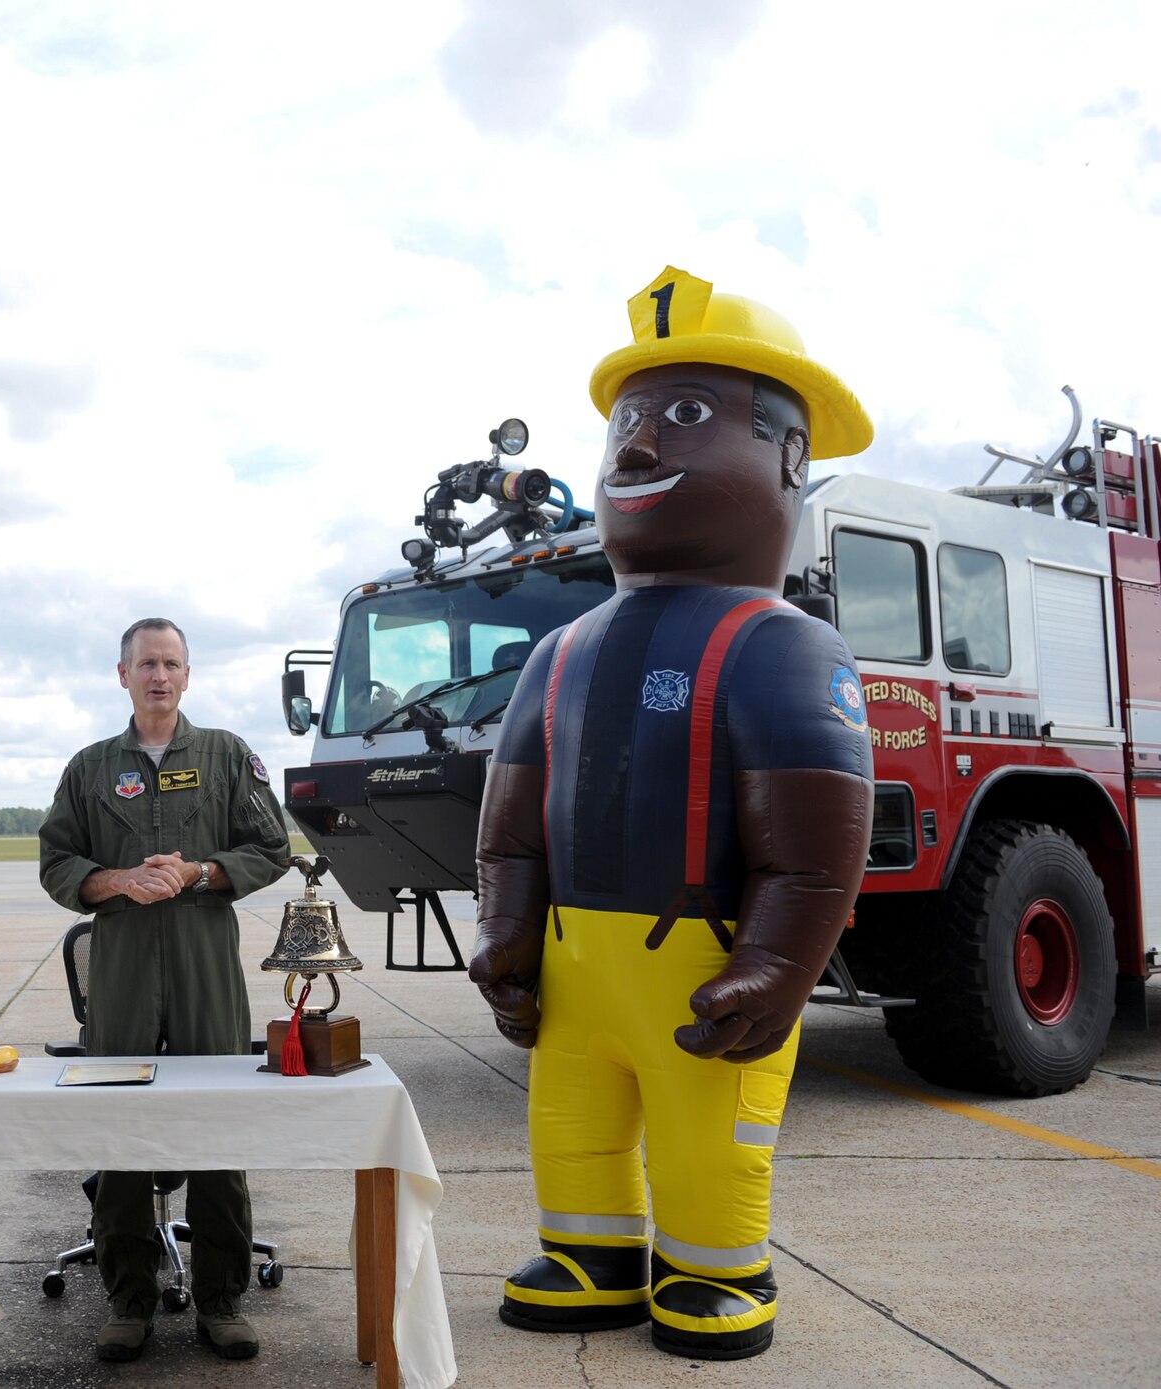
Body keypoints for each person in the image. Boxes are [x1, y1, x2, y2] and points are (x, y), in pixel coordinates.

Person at [470, 268, 875, 1361]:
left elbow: (812, 852)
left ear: (788, 458)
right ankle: (588, 1252)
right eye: (628, 426)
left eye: (684, 417)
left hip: (699, 964)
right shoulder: (558, 652)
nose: (636, 452)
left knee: (707, 1142)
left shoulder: (781, 646)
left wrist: (777, 967)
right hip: (576, 970)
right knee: (570, 1123)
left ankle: (712, 1265)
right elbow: (509, 828)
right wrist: (505, 929)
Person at [38, 617, 292, 1364]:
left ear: (188, 674)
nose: (159, 675)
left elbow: (271, 847)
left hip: (204, 961)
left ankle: (221, 1300)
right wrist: (117, 880)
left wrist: (198, 873)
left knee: (217, 1123)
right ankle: (129, 1301)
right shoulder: (89, 768)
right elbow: (56, 861)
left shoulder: (225, 756)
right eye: (146, 662)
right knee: (118, 1126)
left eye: (171, 663)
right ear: (122, 674)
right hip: (121, 968)